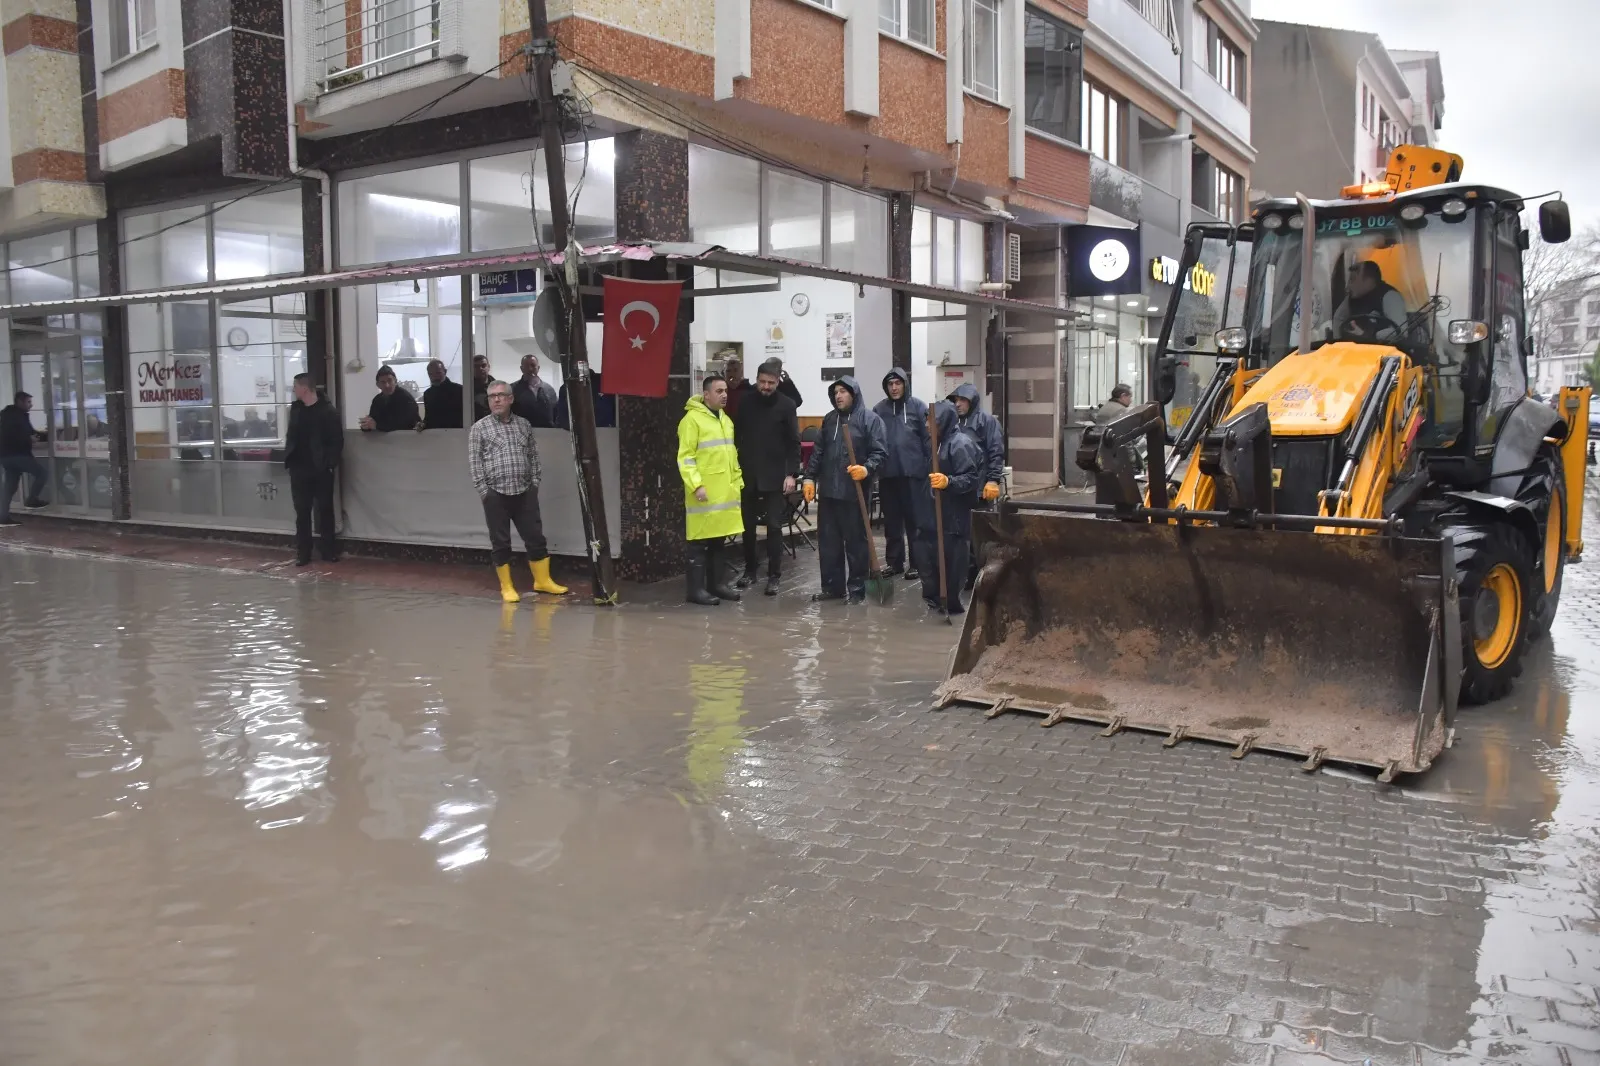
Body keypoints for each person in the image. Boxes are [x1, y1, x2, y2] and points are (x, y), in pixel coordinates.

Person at [469, 379, 569, 603]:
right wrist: (484, 491)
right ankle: (507, 586)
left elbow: (533, 456)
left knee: (535, 538)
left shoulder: (524, 425)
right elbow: (475, 463)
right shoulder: (479, 429)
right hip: (495, 493)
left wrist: (534, 482)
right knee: (501, 542)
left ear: (511, 398)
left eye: (501, 395)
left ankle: (542, 581)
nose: (496, 399)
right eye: (492, 396)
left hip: (525, 491)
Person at [801, 376, 887, 604]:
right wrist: (809, 478)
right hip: (829, 492)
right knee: (828, 542)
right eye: (835, 392)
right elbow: (818, 452)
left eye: (843, 391)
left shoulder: (870, 420)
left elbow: (880, 453)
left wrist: (866, 469)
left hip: (854, 493)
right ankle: (832, 587)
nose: (838, 395)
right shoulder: (830, 420)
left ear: (854, 394)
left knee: (856, 543)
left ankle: (857, 589)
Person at [732, 358, 801, 596]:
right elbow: (737, 436)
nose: (765, 386)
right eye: (762, 381)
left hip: (775, 476)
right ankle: (750, 571)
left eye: (770, 383)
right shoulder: (746, 401)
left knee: (773, 527)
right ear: (757, 379)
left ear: (777, 381)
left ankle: (774, 576)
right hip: (748, 473)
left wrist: (791, 474)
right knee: (747, 527)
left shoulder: (787, 404)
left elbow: (794, 443)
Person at [678, 374, 745, 606]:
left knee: (718, 541)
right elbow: (686, 457)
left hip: (724, 493)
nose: (724, 395)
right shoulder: (692, 420)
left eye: (725, 390)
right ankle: (695, 590)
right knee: (698, 543)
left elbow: (731, 454)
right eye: (719, 391)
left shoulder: (725, 420)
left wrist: (738, 481)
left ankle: (717, 584)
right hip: (703, 494)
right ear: (706, 395)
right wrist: (696, 485)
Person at [924, 400, 984, 614]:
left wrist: (949, 482)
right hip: (940, 514)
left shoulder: (959, 444)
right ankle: (938, 601)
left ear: (942, 422)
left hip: (956, 516)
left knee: (955, 563)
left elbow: (971, 478)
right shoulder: (937, 443)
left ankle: (953, 605)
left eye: (931, 421)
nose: (927, 426)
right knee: (937, 561)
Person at [873, 367, 931, 581]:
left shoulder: (918, 407)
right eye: (890, 384)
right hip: (888, 475)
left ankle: (917, 563)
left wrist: (929, 468)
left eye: (898, 383)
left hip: (914, 475)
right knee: (892, 522)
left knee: (915, 522)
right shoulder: (879, 410)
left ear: (905, 384)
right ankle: (894, 562)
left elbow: (928, 440)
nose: (894, 388)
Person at [948, 383, 1005, 590]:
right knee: (962, 535)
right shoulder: (953, 423)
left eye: (962, 400)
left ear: (972, 402)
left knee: (979, 536)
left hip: (980, 488)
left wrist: (993, 479)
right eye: (956, 400)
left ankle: (981, 576)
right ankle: (965, 575)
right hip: (959, 488)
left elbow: (995, 451)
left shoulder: (986, 422)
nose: (958, 404)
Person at [283, 373, 343, 565]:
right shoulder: (296, 410)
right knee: (302, 512)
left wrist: (329, 464)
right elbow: (291, 436)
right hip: (299, 469)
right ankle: (304, 552)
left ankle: (328, 550)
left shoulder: (327, 411)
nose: (293, 390)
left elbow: (336, 441)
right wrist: (290, 458)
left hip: (321, 469)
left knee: (325, 510)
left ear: (305, 388)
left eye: (295, 386)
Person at [0, 391, 48, 526]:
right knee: (42, 473)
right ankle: (32, 500)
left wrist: (38, 435)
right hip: (17, 455)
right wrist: (29, 438)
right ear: (20, 402)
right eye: (28, 402)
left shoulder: (8, 415)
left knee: (9, 487)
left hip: (5, 456)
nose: (31, 405)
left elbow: (27, 432)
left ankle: (2, 518)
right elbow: (17, 434)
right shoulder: (17, 416)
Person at [1333, 260, 1409, 342]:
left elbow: (1401, 331)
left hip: (1384, 351)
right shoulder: (1351, 299)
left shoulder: (1390, 296)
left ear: (1369, 281)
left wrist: (1369, 336)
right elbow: (1338, 319)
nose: (1348, 286)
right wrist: (1338, 342)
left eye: (1352, 280)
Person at [359, 365, 420, 432]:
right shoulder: (377, 400)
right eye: (383, 382)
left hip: (408, 439)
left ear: (395, 381)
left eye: (390, 380)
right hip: (385, 440)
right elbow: (373, 421)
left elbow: (404, 425)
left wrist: (377, 425)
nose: (387, 385)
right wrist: (366, 426)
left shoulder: (405, 398)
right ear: (378, 385)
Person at [512, 354, 558, 427]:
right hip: (522, 432)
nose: (530, 369)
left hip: (548, 433)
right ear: (521, 368)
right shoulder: (512, 389)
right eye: (527, 366)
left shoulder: (549, 389)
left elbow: (555, 413)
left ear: (538, 368)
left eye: (533, 365)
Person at [420, 358, 464, 429]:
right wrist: (423, 424)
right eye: (431, 374)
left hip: (456, 434)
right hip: (435, 436)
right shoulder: (428, 394)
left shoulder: (459, 390)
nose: (435, 377)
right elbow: (428, 418)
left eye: (438, 373)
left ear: (445, 371)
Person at [472, 354, 492, 422]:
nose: (480, 368)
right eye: (476, 366)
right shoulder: (467, 390)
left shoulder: (498, 387)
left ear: (488, 367)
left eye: (483, 365)